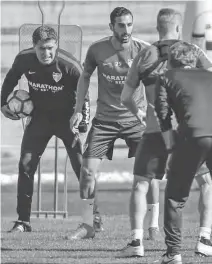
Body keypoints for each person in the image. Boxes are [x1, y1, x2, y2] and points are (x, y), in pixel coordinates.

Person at [118, 8, 212, 258]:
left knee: (141, 185)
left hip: (157, 129)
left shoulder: (145, 54)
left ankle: (137, 243)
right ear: (178, 28)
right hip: (194, 130)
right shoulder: (192, 52)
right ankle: (205, 239)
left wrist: (140, 113)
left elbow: (126, 97)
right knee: (208, 184)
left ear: (157, 28)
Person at [154, 41, 212, 264]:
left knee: (175, 197)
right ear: (194, 60)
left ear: (171, 62)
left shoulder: (166, 78)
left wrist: (170, 143)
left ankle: (173, 253)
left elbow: (162, 111)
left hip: (194, 135)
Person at [66, 7, 153, 240]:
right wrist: (77, 110)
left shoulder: (144, 50)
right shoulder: (97, 50)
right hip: (105, 121)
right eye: (121, 25)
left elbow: (157, 83)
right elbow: (84, 77)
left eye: (129, 25)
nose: (126, 30)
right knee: (87, 172)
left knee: (150, 170)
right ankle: (88, 225)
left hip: (136, 120)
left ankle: (153, 225)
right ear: (111, 26)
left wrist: (156, 113)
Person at [0, 25, 91, 232]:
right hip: (39, 118)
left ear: (56, 45)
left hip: (67, 121)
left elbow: (84, 97)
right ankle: (23, 221)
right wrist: (2, 103)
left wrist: (83, 126)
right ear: (34, 46)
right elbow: (10, 79)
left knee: (82, 169)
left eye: (50, 48)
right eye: (41, 48)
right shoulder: (24, 59)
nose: (46, 53)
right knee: (25, 165)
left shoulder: (70, 66)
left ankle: (94, 218)